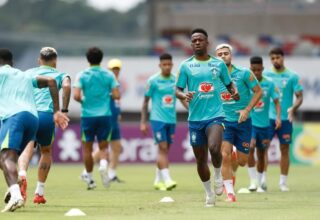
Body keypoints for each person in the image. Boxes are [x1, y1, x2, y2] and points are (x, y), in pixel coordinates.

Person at [176, 29, 239, 207]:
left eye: (200, 40)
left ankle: (218, 175)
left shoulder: (218, 64)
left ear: (207, 43)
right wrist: (183, 96)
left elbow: (229, 83)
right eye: (194, 40)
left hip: (216, 115)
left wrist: (233, 91)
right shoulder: (186, 65)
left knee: (214, 147)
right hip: (195, 119)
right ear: (191, 44)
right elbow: (177, 89)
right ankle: (209, 193)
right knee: (200, 160)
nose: (197, 42)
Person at [0, 48, 69, 212]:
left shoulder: (10, 73)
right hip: (34, 119)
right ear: (13, 62)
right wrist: (58, 111)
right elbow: (52, 82)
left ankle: (16, 193)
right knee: (7, 158)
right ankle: (17, 184)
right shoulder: (22, 75)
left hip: (15, 117)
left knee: (7, 158)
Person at [216, 44, 262, 202]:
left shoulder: (244, 73)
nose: (223, 56)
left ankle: (237, 153)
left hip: (244, 122)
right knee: (224, 155)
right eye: (220, 54)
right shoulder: (213, 76)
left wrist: (247, 110)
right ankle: (230, 193)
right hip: (223, 121)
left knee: (242, 161)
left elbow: (259, 91)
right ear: (216, 57)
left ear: (231, 55)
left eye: (226, 53)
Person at [74, 47, 120, 190]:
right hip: (105, 115)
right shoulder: (109, 75)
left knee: (87, 148)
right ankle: (103, 165)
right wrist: (105, 96)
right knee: (104, 146)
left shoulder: (82, 75)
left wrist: (85, 102)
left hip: (88, 116)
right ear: (101, 59)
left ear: (88, 59)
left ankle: (89, 178)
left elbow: (76, 96)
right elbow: (117, 95)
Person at [264, 47, 303, 192]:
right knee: (263, 149)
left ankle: (282, 182)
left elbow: (299, 96)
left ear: (283, 58)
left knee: (284, 149)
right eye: (273, 58)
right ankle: (262, 181)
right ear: (270, 59)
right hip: (267, 118)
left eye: (278, 57)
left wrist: (293, 108)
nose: (275, 60)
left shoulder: (292, 76)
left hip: (286, 118)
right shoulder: (265, 75)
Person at [140, 53, 178, 191]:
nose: (167, 67)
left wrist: (192, 111)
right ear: (160, 65)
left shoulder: (176, 80)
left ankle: (157, 180)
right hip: (157, 119)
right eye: (164, 64)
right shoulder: (153, 81)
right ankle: (167, 180)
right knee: (162, 148)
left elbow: (183, 99)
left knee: (165, 151)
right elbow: (145, 102)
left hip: (171, 120)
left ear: (172, 65)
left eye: (169, 64)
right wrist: (143, 122)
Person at [247, 56, 281, 193]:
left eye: (258, 70)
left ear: (262, 69)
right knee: (250, 147)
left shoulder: (269, 83)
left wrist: (278, 117)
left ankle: (261, 182)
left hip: (265, 125)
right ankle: (252, 181)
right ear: (250, 69)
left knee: (261, 154)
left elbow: (277, 102)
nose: (256, 73)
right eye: (253, 70)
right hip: (250, 123)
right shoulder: (246, 83)